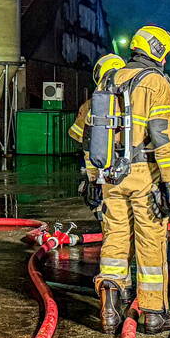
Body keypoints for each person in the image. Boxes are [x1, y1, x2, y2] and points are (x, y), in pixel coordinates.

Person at [90, 26, 170, 335]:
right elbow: (162, 136)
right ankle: (154, 313)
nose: (166, 60)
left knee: (114, 238)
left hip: (110, 176)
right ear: (156, 50)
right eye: (166, 54)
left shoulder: (109, 78)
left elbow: (94, 134)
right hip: (144, 174)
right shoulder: (156, 82)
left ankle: (111, 304)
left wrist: (93, 177)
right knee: (150, 241)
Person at [70, 53, 127, 217]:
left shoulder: (92, 105)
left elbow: (85, 143)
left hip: (105, 168)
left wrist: (92, 181)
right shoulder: (136, 101)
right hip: (134, 169)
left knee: (111, 220)